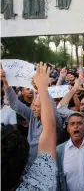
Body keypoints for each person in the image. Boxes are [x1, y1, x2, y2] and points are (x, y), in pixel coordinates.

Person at [2, 62, 57, 190]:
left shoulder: (55, 120)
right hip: (27, 169)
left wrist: (42, 90)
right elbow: (15, 104)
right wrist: (7, 85)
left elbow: (51, 123)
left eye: (38, 107)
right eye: (34, 106)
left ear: (47, 109)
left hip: (40, 169)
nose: (33, 108)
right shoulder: (32, 115)